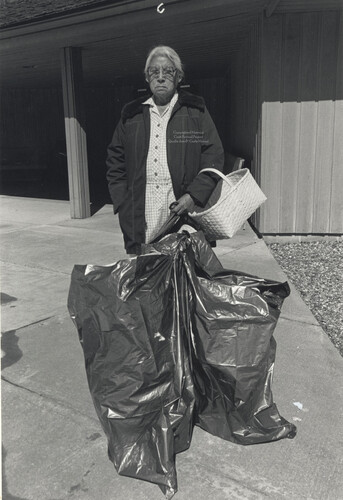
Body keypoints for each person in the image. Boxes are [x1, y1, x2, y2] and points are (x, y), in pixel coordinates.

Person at [106, 45, 224, 255]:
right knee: (146, 269)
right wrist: (122, 202)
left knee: (183, 269)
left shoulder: (194, 112)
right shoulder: (131, 115)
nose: (160, 77)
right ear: (146, 77)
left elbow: (212, 156)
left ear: (179, 77)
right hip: (142, 206)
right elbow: (115, 160)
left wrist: (193, 196)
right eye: (154, 71)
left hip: (181, 204)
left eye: (168, 71)